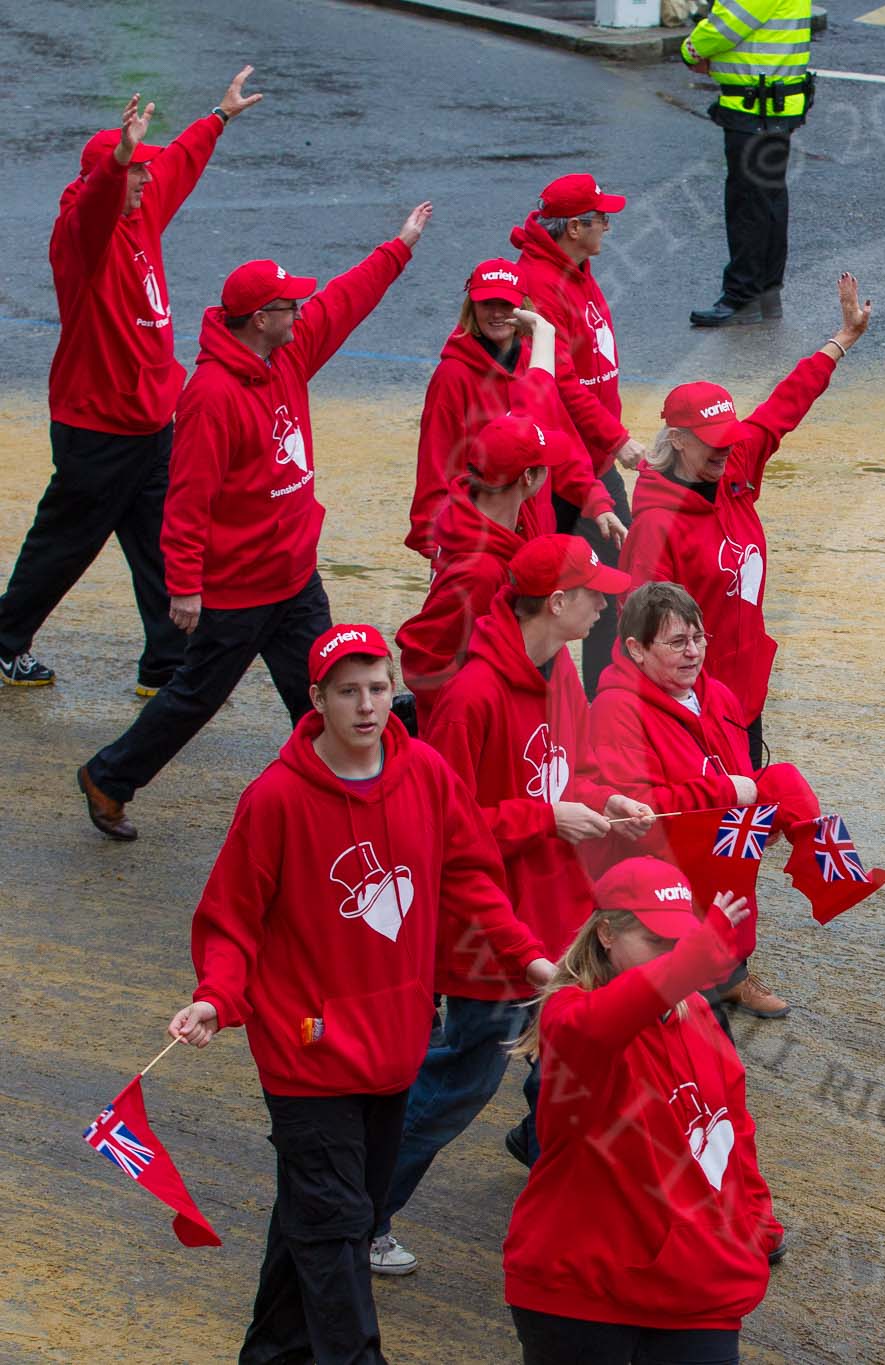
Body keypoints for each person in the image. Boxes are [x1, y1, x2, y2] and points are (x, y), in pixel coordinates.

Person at [165, 623, 554, 1365]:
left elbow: (471, 876)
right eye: (349, 692)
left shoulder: (427, 773)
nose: (368, 705)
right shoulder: (275, 798)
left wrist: (528, 957)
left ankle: (271, 1354)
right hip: (305, 1053)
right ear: (317, 700)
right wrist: (217, 996)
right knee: (339, 1225)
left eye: (378, 688)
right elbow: (232, 918)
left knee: (328, 1217)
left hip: (394, 1047)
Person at [78, 204, 432, 842]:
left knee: (320, 691)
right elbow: (186, 500)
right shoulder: (211, 396)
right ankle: (109, 777)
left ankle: (347, 803)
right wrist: (184, 585)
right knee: (196, 697)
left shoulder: (286, 353)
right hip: (239, 591)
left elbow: (342, 302)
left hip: (294, 577)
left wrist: (398, 248)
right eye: (289, 306)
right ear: (261, 319)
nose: (301, 312)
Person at [370, 536, 652, 1276]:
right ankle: (357, 1217)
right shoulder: (472, 697)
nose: (605, 605)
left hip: (558, 917)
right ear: (556, 603)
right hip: (488, 934)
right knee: (460, 1082)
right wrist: (547, 818)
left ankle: (564, 1177)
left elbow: (572, 773)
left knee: (570, 1059)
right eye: (594, 594)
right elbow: (442, 829)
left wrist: (604, 801)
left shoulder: (561, 672)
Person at [1, 73, 261, 692]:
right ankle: (5, 639)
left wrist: (218, 116)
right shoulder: (82, 233)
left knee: (162, 543)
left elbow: (178, 165)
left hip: (149, 419)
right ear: (110, 176)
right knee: (64, 546)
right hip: (97, 427)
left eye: (143, 169)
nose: (147, 178)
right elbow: (96, 202)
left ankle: (166, 663)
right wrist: (118, 159)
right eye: (135, 170)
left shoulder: (140, 208)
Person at [503, 858, 778, 1365]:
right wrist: (691, 961)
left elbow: (734, 1130)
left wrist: (757, 1228)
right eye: (657, 941)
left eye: (682, 942)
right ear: (606, 933)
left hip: (696, 1293)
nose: (673, 954)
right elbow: (612, 1016)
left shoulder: (700, 1013)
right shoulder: (571, 1016)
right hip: (580, 1293)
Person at [623, 272, 872, 765]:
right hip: (694, 707)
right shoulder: (655, 528)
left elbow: (785, 405)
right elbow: (640, 634)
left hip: (746, 693)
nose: (725, 449)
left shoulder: (734, 467)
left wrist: (843, 338)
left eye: (728, 437)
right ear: (678, 440)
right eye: (712, 441)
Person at [591, 582, 866, 1021]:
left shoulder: (717, 695)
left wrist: (763, 816)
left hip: (720, 833)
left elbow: (744, 777)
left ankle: (735, 972)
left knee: (782, 782)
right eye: (677, 642)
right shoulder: (616, 709)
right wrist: (729, 794)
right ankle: (676, 985)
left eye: (699, 638)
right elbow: (640, 809)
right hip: (661, 848)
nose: (693, 653)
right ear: (636, 649)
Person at [509, 174, 645, 692]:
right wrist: (615, 438)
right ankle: (536, 697)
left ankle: (600, 701)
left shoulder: (575, 270)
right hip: (564, 470)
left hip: (591, 462)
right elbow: (561, 385)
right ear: (573, 227)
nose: (608, 226)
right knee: (546, 597)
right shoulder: (541, 284)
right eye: (601, 218)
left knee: (614, 584)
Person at [405, 261, 622, 560]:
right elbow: (436, 461)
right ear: (471, 307)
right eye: (486, 304)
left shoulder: (531, 363)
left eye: (505, 304)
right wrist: (435, 543)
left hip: (534, 535)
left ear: (524, 308)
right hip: (480, 541)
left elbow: (562, 444)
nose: (496, 313)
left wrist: (596, 502)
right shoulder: (453, 376)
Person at [398, 417, 569, 730]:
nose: (550, 471)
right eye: (544, 465)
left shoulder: (506, 512)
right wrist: (482, 710)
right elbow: (424, 660)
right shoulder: (480, 573)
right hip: (473, 726)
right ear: (527, 477)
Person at [681, 0, 813, 327]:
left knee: (749, 204)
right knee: (768, 201)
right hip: (771, 104)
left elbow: (724, 26)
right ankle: (766, 293)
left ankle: (742, 297)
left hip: (755, 106)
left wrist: (690, 50)